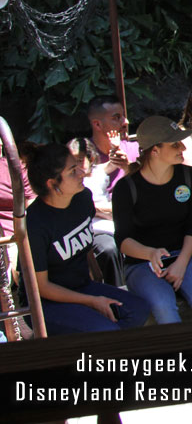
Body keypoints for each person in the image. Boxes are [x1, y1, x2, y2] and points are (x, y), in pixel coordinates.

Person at [19, 143, 149, 334]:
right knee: (105, 329)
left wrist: (95, 290)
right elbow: (42, 287)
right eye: (72, 171)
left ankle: (102, 353)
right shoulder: (35, 224)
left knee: (138, 309)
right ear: (52, 183)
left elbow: (83, 246)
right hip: (45, 303)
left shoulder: (83, 199)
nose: (82, 172)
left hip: (81, 287)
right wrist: (92, 302)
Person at [112, 116, 192, 324]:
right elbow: (123, 241)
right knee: (164, 308)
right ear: (154, 150)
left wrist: (181, 262)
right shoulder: (126, 188)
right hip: (141, 264)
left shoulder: (190, 177)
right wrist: (150, 253)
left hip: (184, 255)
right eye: (175, 144)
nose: (182, 149)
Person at [73, 95, 140, 286]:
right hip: (99, 224)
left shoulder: (134, 149)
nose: (125, 122)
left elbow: (144, 190)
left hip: (132, 215)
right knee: (109, 249)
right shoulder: (81, 155)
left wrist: (128, 168)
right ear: (97, 124)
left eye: (124, 116)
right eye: (116, 117)